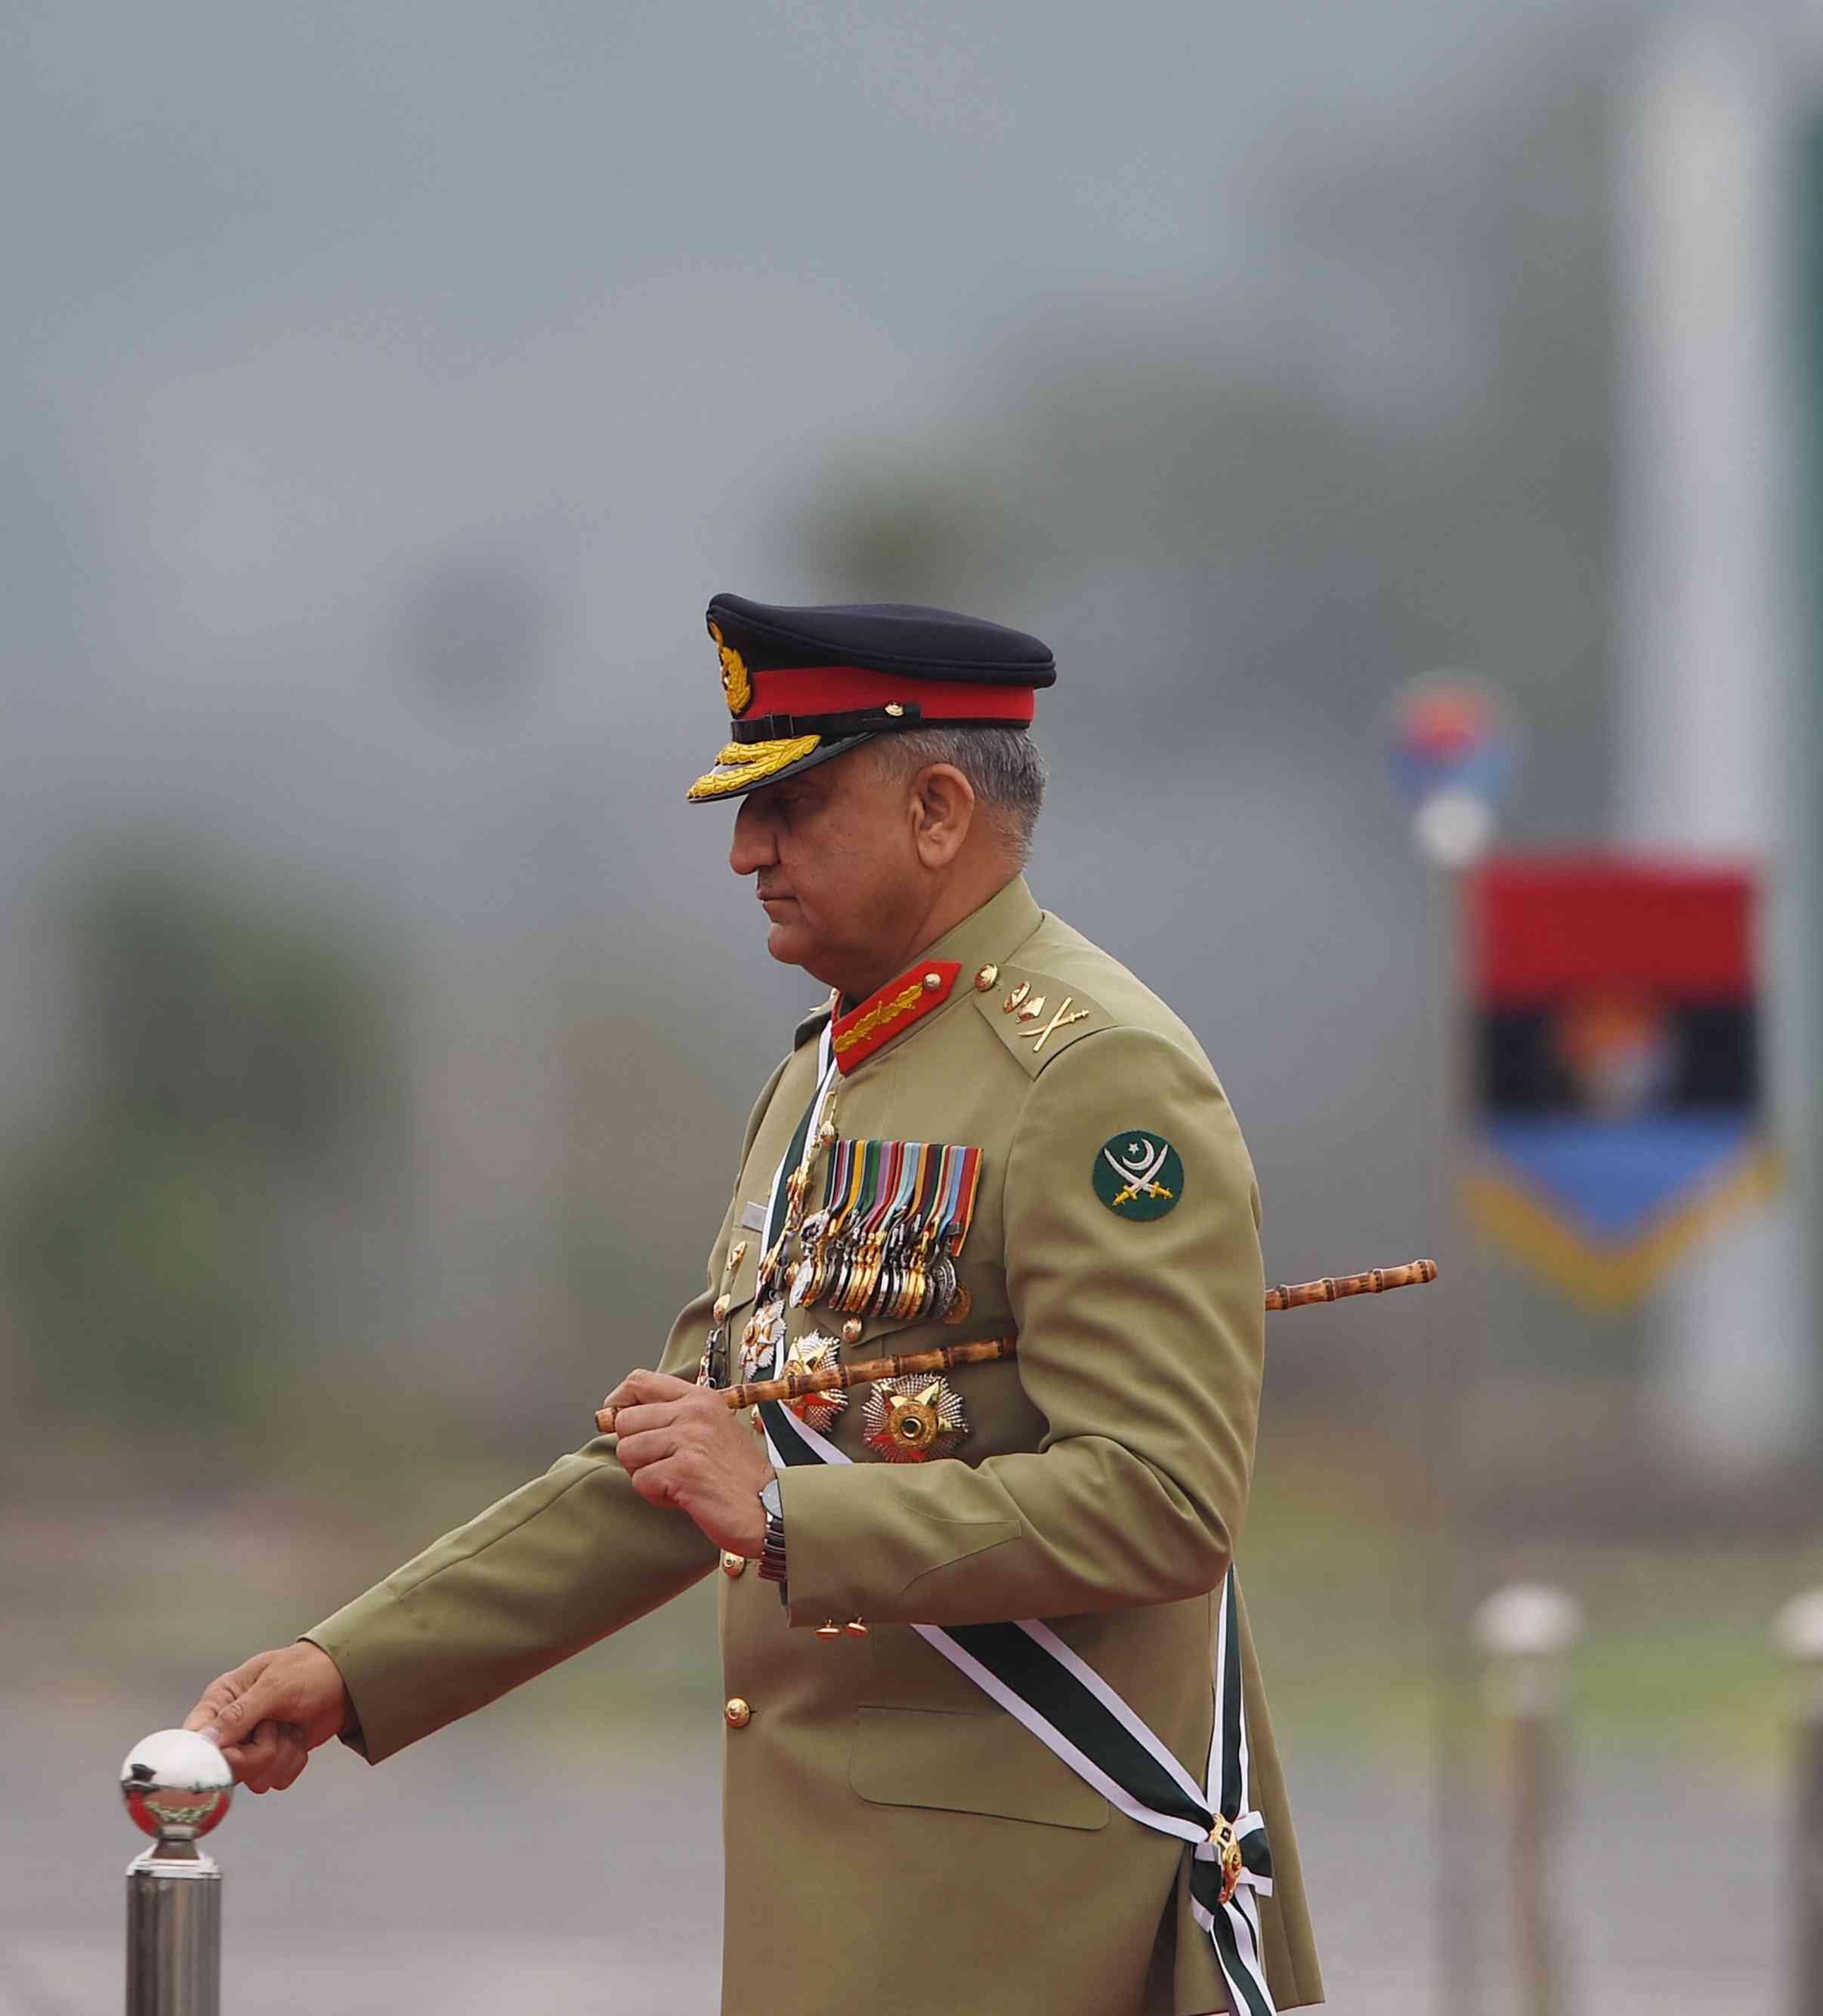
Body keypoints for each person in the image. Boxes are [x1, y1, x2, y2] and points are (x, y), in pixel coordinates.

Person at [187, 594, 1322, 2014]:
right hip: (844, 1912)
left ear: (937, 808)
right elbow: (674, 1462)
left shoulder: (1097, 1075)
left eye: (790, 802)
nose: (745, 851)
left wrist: (790, 1516)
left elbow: (1166, 1499)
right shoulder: (825, 1069)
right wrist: (352, 1665)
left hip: (1025, 1918)